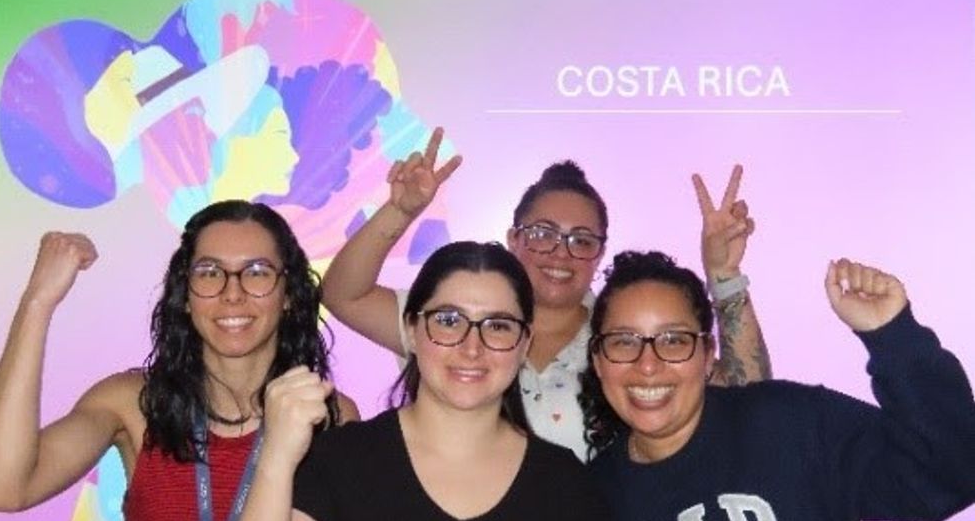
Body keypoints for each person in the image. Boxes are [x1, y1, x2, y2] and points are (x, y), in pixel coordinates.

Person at [320, 126, 771, 460]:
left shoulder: (624, 342)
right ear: (514, 238)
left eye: (581, 239)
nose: (560, 252)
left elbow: (749, 397)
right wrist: (400, 211)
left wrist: (725, 275)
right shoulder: (458, 327)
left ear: (599, 253)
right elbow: (345, 296)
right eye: (542, 234)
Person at [0, 200, 358, 521]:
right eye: (210, 272)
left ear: (289, 294)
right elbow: (6, 487)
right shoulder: (133, 402)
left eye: (257, 272)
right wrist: (37, 301)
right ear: (185, 295)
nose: (233, 293)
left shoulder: (326, 414)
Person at [223, 242, 615, 521]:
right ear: (411, 329)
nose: (471, 347)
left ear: (524, 343)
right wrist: (276, 458)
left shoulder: (566, 485)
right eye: (448, 320)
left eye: (498, 326)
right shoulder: (341, 460)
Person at [582, 251, 975, 521]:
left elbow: (947, 475)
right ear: (598, 360)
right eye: (623, 341)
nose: (647, 365)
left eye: (673, 340)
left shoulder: (788, 424)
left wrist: (894, 336)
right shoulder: (593, 499)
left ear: (707, 354)